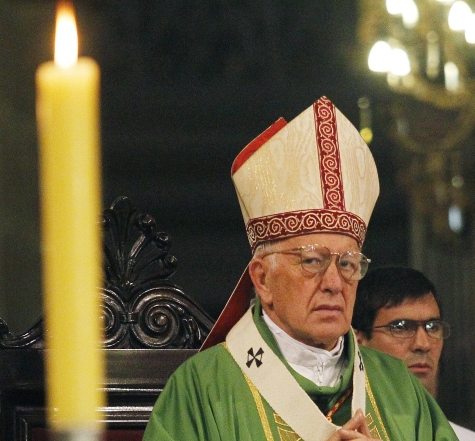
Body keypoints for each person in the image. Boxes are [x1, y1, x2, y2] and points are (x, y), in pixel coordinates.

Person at [143, 97, 457, 440]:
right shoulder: (201, 389)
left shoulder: (399, 388)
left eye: (348, 263)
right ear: (262, 279)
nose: (335, 283)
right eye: (312, 261)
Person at [353, 266, 475, 441]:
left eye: (432, 327)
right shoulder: (333, 433)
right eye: (401, 327)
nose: (423, 344)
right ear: (359, 342)